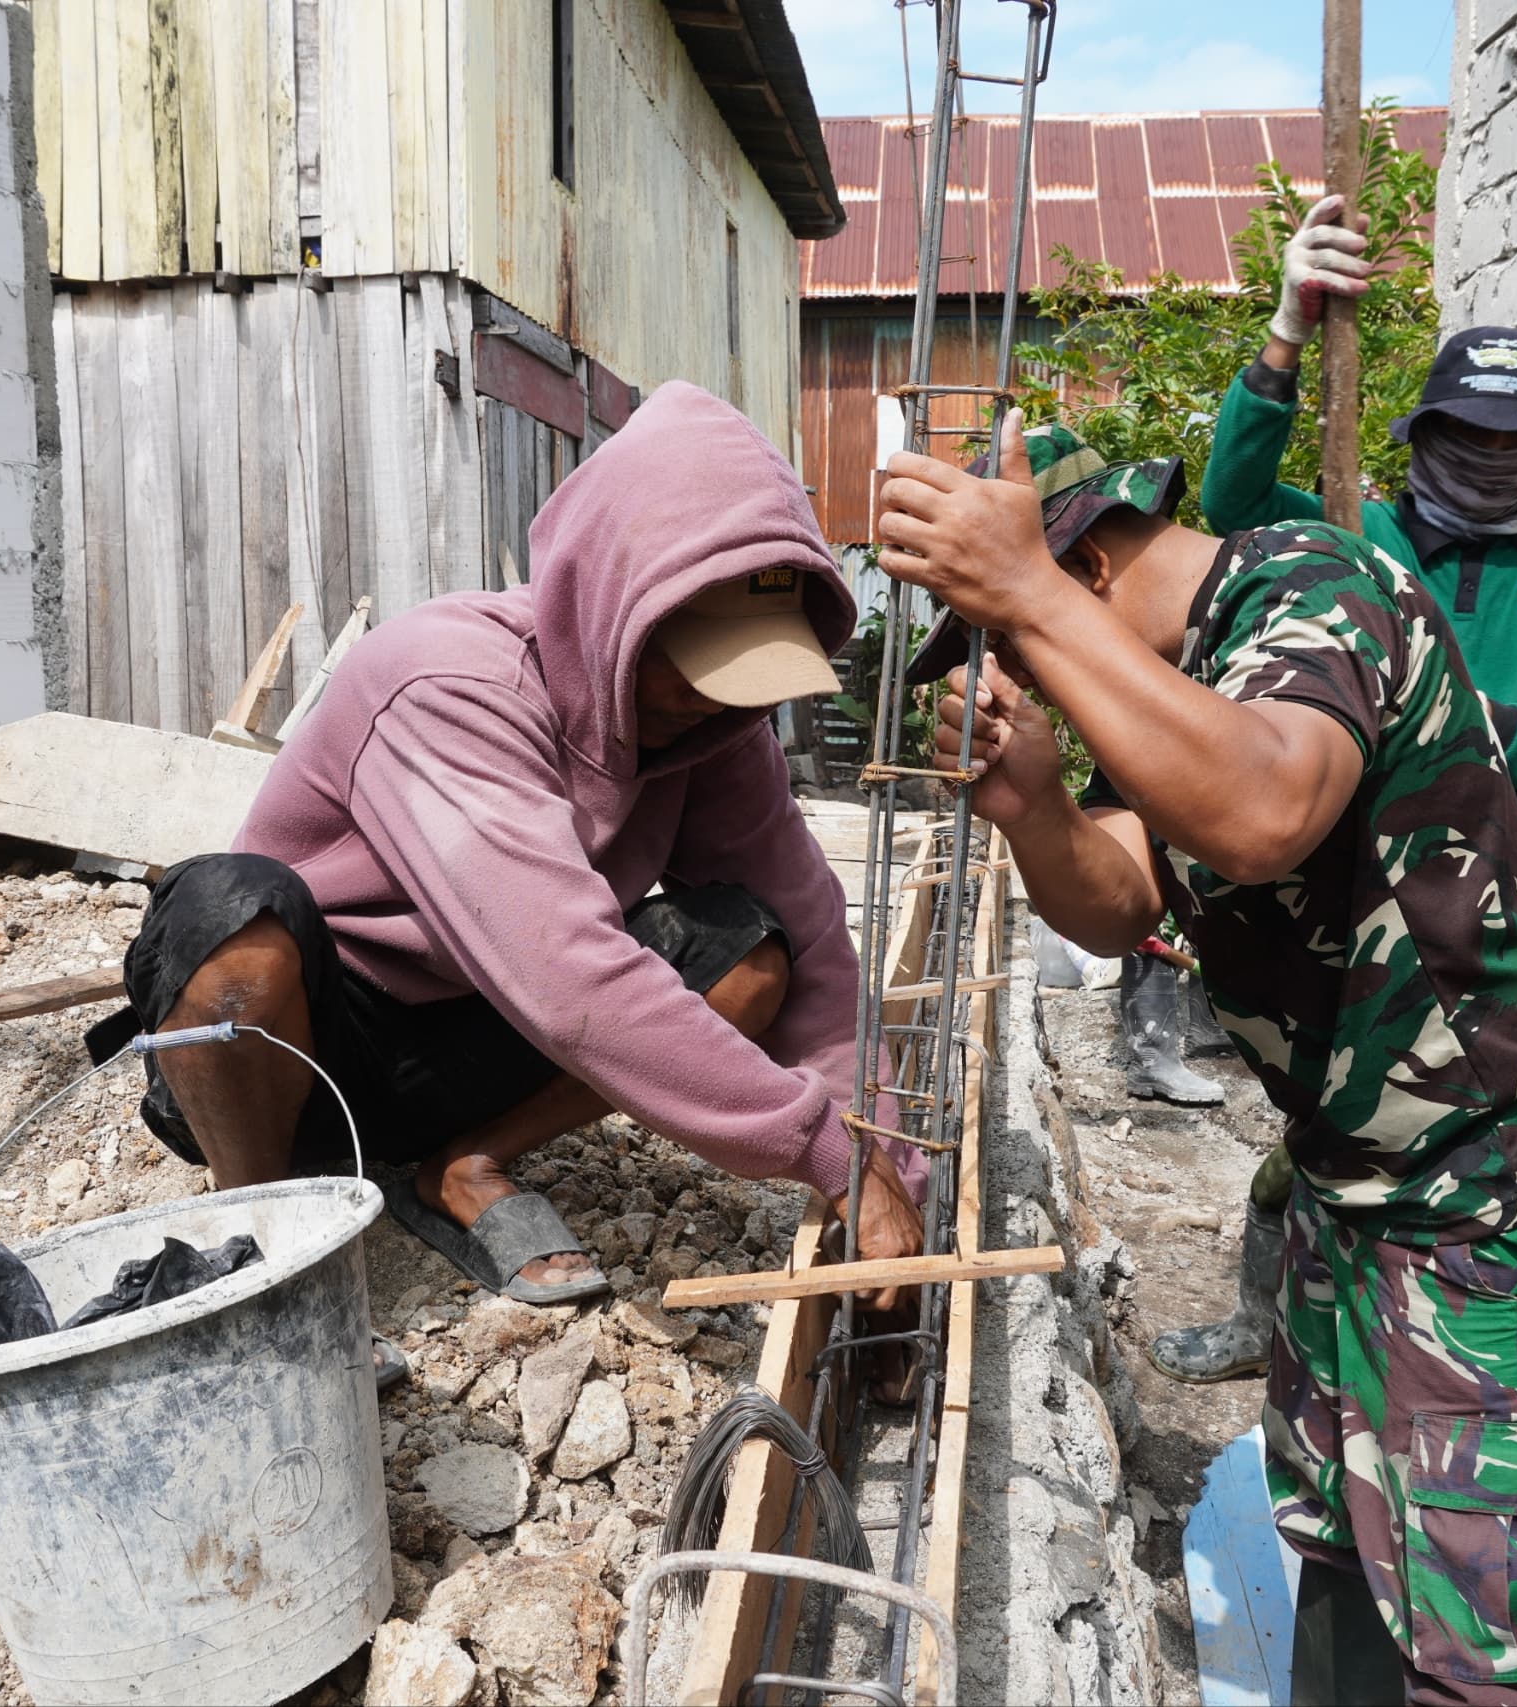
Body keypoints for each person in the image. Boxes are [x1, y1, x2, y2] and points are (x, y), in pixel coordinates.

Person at [876, 414, 1517, 1705]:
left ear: (1088, 567)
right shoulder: (1204, 682)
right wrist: (1033, 805)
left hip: (1500, 1198)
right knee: (1347, 1538)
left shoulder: (1313, 585)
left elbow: (1261, 809)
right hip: (1361, 1188)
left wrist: (1019, 596)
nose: (1026, 667)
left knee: (1489, 1645)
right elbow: (1124, 894)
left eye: (1017, 633)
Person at [88, 382, 925, 1326]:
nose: (720, 705)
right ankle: (267, 1234)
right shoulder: (448, 686)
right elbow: (573, 983)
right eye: (697, 666)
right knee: (232, 913)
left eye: (746, 677)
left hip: (478, 1037)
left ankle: (466, 1162)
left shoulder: (714, 733)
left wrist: (882, 1158)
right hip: (313, 1050)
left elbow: (814, 946)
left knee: (752, 945)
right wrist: (819, 1150)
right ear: (612, 606)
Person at [1172, 195, 1517, 1385]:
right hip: (1377, 899)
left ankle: (1485, 1363)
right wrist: (1284, 332)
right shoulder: (1354, 530)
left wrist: (1470, 722)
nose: (1490, 462)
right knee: (1329, 1137)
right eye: (1467, 439)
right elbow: (1227, 509)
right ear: (1422, 434)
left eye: (1514, 443)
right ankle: (1271, 1327)